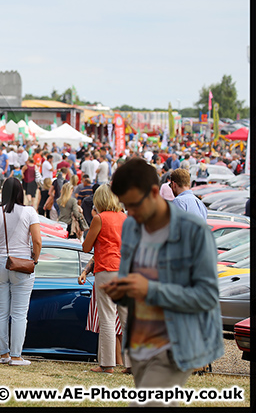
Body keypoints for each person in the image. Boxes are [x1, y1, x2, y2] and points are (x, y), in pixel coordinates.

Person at [102, 158, 223, 407]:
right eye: (125, 205)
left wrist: (151, 289)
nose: (130, 212)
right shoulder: (134, 229)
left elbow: (207, 296)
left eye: (134, 204)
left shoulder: (194, 232)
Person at [0, 177, 42, 367]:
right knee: (19, 313)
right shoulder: (29, 212)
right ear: (21, 192)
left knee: (0, 312)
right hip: (21, 264)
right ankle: (16, 356)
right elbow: (37, 241)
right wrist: (35, 259)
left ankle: (4, 354)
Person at [78, 185, 131, 374]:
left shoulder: (100, 218)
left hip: (106, 269)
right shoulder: (125, 218)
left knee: (107, 317)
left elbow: (86, 247)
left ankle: (107, 364)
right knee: (126, 317)